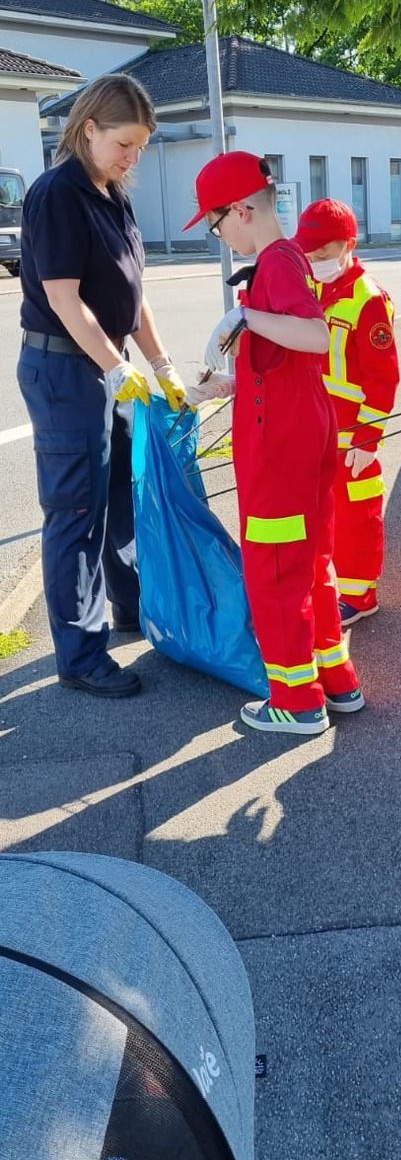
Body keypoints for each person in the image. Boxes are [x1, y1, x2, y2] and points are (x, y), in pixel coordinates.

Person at [17, 73, 186, 699]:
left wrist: (161, 365)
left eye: (141, 146)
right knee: (77, 511)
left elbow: (131, 295)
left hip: (104, 367)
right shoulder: (58, 194)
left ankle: (128, 604)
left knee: (121, 491)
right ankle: (81, 655)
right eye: (125, 144)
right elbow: (65, 298)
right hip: (67, 370)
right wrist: (116, 368)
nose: (133, 157)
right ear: (89, 128)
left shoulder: (111, 193)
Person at [184, 152, 363, 735]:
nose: (219, 236)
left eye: (216, 224)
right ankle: (335, 681)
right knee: (310, 560)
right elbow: (282, 368)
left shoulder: (275, 263)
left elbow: (312, 335)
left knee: (275, 569)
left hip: (280, 447)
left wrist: (245, 321)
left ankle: (296, 701)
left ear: (241, 211)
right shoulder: (285, 262)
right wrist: (226, 385)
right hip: (298, 430)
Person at [295, 198, 400, 626]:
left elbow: (384, 378)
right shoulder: (313, 288)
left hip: (351, 436)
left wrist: (368, 438)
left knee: (357, 516)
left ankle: (359, 596)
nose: (315, 259)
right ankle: (330, 586)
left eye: (324, 252)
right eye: (309, 252)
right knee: (320, 515)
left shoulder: (368, 300)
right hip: (315, 431)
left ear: (348, 246)